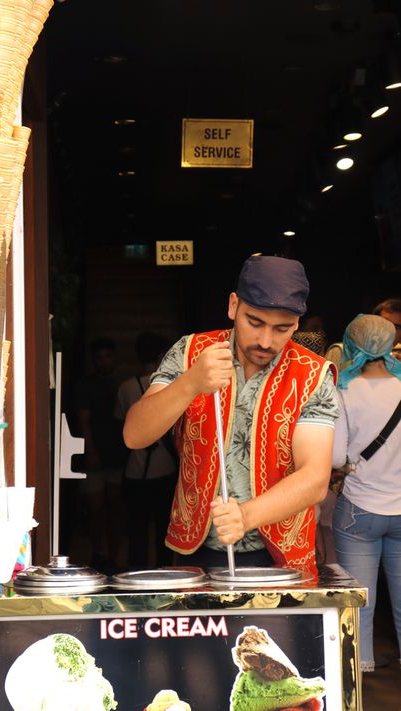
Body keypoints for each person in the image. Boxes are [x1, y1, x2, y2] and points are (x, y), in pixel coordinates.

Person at [123, 255, 339, 570]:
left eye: (282, 328)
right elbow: (134, 435)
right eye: (255, 322)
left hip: (280, 556)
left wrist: (246, 515)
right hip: (196, 550)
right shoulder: (190, 353)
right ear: (233, 306)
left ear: (296, 324)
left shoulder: (313, 375)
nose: (266, 341)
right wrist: (190, 384)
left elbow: (315, 478)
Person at [331, 314, 401, 672]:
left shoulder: (343, 390)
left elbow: (335, 456)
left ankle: (361, 671)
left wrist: (348, 465)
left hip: (359, 509)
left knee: (360, 601)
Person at [115, 332, 178, 569]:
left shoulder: (126, 387)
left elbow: (121, 423)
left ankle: (137, 573)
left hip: (135, 469)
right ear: (162, 356)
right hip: (165, 467)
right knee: (164, 529)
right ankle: (164, 573)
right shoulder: (172, 386)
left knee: (136, 528)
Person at [75, 337, 126, 572]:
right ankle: (99, 553)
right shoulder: (87, 385)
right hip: (94, 457)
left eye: (107, 356)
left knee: (114, 508)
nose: (104, 361)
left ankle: (113, 556)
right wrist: (90, 451)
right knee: (96, 509)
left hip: (117, 454)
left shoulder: (120, 385)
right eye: (99, 357)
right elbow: (83, 420)